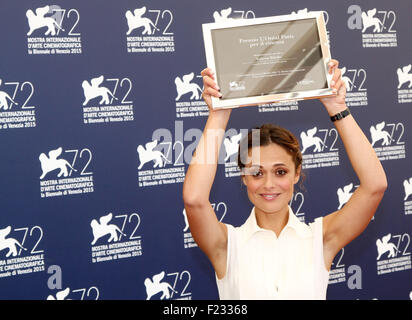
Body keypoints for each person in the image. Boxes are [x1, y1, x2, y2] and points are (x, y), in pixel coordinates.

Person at [182, 60, 387, 299]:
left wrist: (337, 107)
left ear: (296, 173)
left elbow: (375, 186)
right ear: (244, 177)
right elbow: (194, 199)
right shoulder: (227, 245)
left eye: (280, 172)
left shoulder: (320, 239)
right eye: (257, 173)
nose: (269, 184)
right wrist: (218, 115)